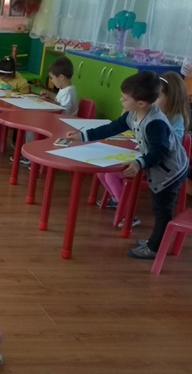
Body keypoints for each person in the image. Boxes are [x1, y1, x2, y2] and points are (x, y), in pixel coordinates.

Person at [66, 71, 187, 260]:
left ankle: (154, 247)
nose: (120, 100)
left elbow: (160, 151)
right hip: (158, 167)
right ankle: (154, 242)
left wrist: (139, 163)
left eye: (124, 98)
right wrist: (83, 136)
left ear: (141, 103)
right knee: (159, 208)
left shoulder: (155, 123)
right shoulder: (133, 114)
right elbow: (112, 128)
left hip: (170, 172)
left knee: (161, 209)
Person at [157, 72, 190, 141]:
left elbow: (175, 143)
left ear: (171, 98)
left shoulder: (177, 119)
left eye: (157, 95)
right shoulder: (156, 114)